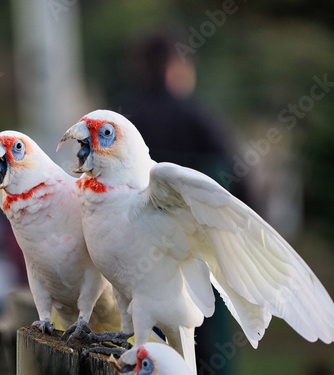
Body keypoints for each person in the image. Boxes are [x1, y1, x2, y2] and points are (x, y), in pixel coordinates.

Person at [114, 30, 249, 375]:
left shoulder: (124, 124)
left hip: (139, 266)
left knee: (147, 353)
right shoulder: (199, 119)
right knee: (204, 351)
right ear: (176, 65)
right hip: (198, 260)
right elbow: (239, 182)